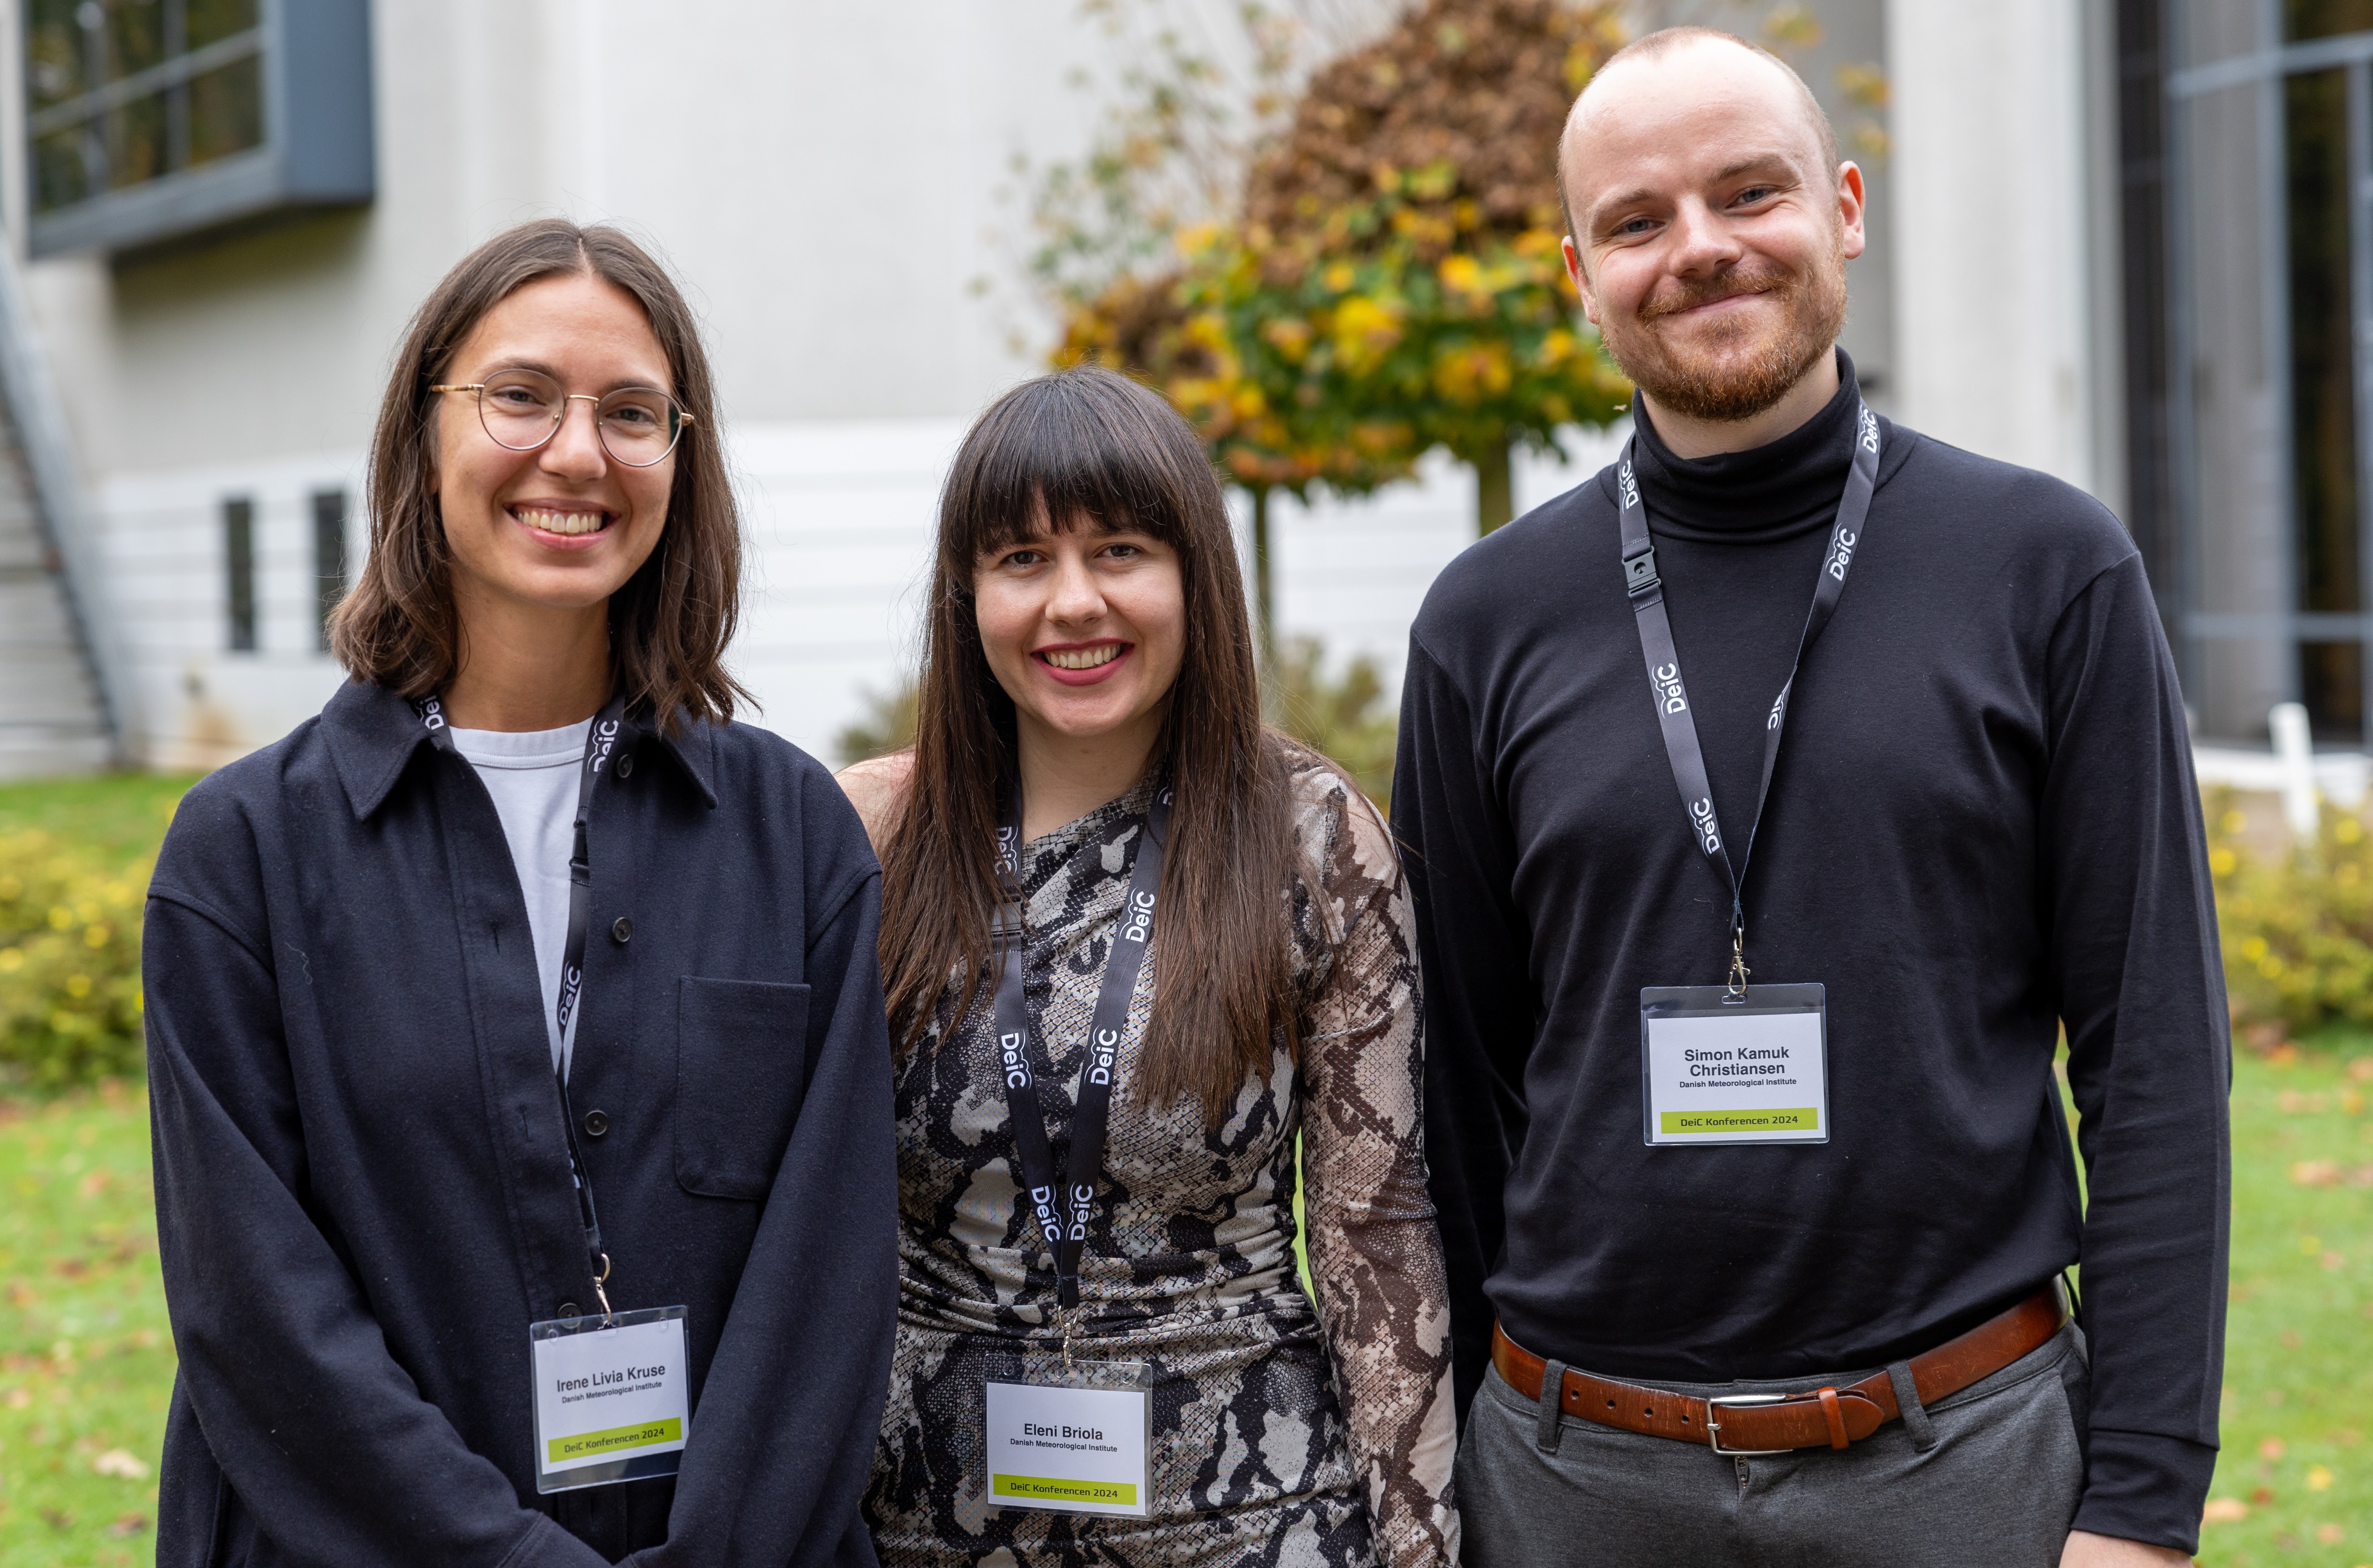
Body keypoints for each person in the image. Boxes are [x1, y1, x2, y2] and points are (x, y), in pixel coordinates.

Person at [1396, 27, 2224, 1568]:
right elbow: (1459, 1094)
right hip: (1577, 1480)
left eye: (1746, 193)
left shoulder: (2046, 568)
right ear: (1577, 273)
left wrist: (2140, 1505)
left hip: (1960, 1462)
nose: (1698, 249)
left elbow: (2155, 1062)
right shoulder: (1482, 622)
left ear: (1842, 208)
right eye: (1635, 221)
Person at [144, 219, 897, 1568]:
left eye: (630, 412)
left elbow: (828, 1273)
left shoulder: (795, 838)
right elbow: (256, 1312)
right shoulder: (242, 856)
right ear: (423, 436)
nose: (575, 452)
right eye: (520, 396)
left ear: (682, 456)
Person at [840, 365, 1459, 1568]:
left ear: (1194, 576)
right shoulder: (868, 840)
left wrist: (1418, 1547)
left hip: (1252, 1517)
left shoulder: (1310, 838)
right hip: (929, 1521)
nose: (1073, 601)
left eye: (1119, 549)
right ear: (965, 594)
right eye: (1021, 559)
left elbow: (1372, 1233)